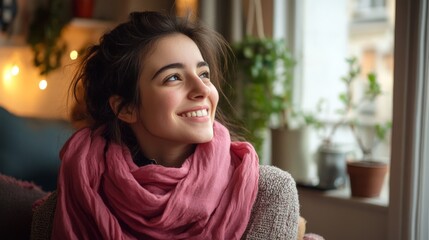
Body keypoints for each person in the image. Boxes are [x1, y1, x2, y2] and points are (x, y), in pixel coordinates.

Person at [31, 11, 301, 239]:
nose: (202, 89)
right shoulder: (71, 199)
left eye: (204, 74)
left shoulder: (269, 192)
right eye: (173, 77)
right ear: (126, 108)